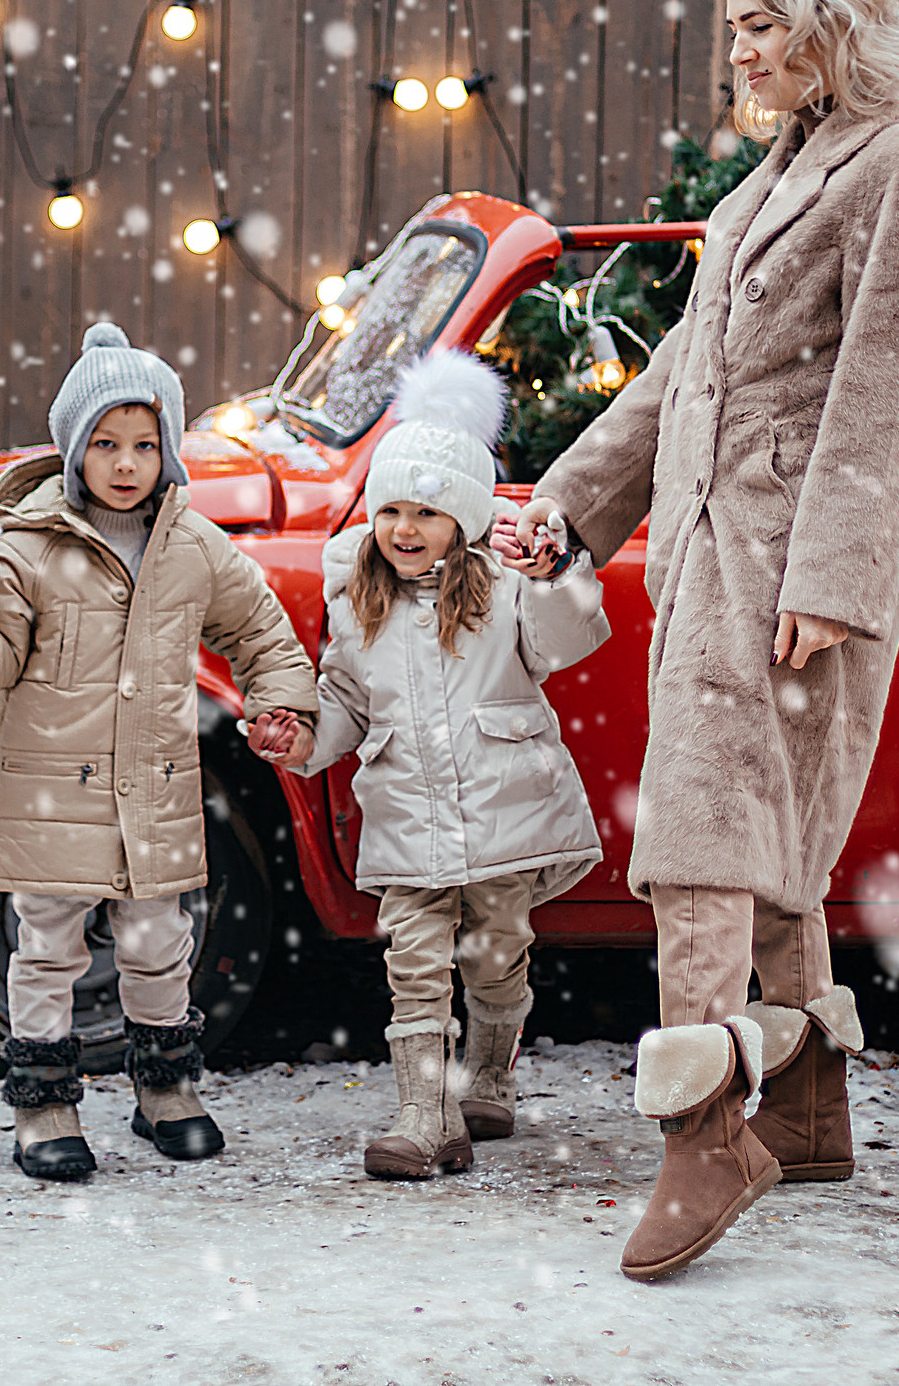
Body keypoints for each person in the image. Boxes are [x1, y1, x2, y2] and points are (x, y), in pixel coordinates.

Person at [505, 0, 899, 1281]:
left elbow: (889, 395)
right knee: (755, 822)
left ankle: (704, 1129)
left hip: (785, 573)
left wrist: (831, 578)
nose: (742, 52)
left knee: (705, 834)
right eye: (736, 28)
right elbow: (680, 381)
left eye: (760, 26)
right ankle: (812, 1101)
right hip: (715, 560)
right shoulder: (766, 181)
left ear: (828, 23)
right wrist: (573, 504)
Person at [0, 322, 318, 1180]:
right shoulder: (27, 548)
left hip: (157, 796)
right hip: (52, 799)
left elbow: (262, 633)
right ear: (74, 447)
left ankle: (165, 1089)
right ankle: (46, 1105)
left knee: (156, 945)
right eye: (106, 443)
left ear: (169, 448)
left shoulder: (193, 547)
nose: (127, 462)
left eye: (145, 443)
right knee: (49, 949)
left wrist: (282, 701)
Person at [270, 352, 608, 1180]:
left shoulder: (503, 586)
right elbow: (346, 698)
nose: (405, 528)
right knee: (414, 964)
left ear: (462, 517)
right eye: (391, 509)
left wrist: (557, 578)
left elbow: (567, 640)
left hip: (503, 807)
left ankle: (488, 1075)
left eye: (428, 510)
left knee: (497, 950)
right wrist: (307, 742)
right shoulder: (358, 595)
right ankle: (427, 1115)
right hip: (408, 812)